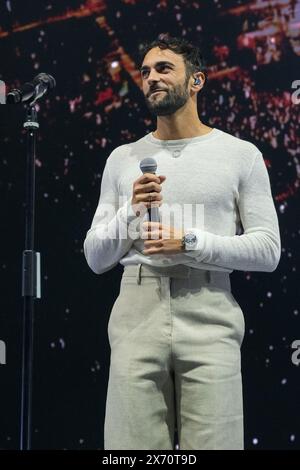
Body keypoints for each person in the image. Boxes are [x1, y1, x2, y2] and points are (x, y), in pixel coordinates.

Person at [83, 34, 281, 450]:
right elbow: (96, 257)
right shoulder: (122, 158)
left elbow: (267, 249)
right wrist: (131, 210)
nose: (151, 77)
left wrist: (189, 241)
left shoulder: (239, 154)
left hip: (209, 311)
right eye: (145, 71)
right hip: (136, 311)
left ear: (197, 81)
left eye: (164, 68)